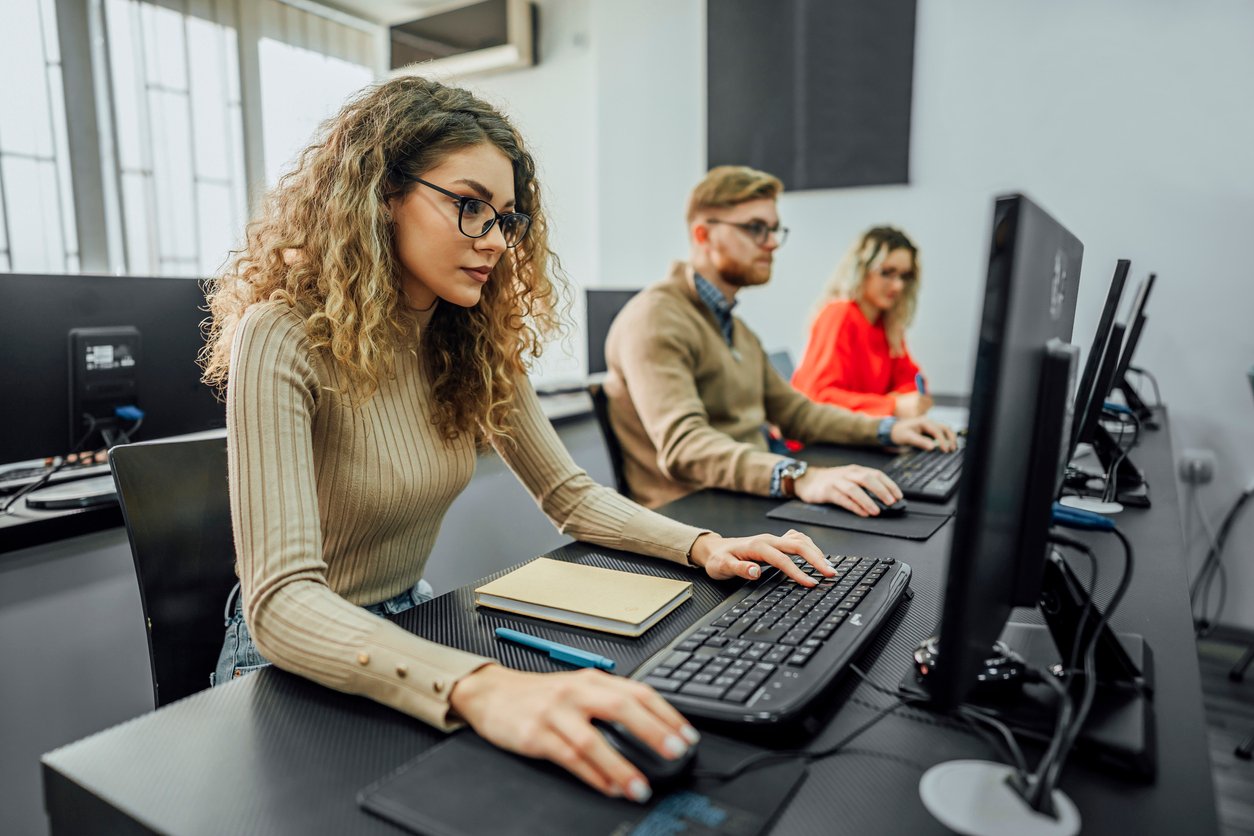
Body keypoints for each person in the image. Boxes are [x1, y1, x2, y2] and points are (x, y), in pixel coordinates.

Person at [200, 77, 836, 804]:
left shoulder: (466, 340)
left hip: (415, 616)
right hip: (288, 658)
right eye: (470, 208)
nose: (497, 243)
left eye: (507, 219)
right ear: (381, 193)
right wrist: (481, 686)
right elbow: (281, 602)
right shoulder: (280, 336)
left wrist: (701, 547)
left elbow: (570, 496)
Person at [604, 167, 955, 514]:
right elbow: (686, 448)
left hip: (746, 495)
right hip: (693, 517)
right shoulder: (655, 318)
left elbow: (798, 413)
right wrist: (800, 477)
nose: (771, 243)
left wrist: (888, 430)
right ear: (703, 235)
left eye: (773, 230)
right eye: (755, 228)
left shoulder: (736, 330)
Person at [791, 226, 931, 417]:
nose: (898, 286)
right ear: (862, 269)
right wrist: (892, 405)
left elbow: (912, 381)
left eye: (904, 276)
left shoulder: (887, 325)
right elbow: (818, 398)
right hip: (817, 441)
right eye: (887, 272)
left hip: (860, 434)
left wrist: (902, 399)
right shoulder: (839, 315)